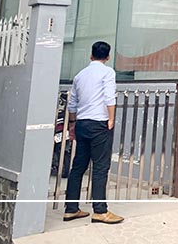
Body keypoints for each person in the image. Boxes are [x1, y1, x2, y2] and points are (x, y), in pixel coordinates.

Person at [63, 41, 124, 224]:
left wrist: (72, 124)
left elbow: (72, 102)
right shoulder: (108, 72)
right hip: (99, 124)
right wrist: (111, 119)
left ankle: (71, 209)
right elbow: (109, 96)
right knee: (100, 167)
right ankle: (100, 210)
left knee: (78, 167)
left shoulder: (79, 75)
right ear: (108, 56)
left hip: (81, 123)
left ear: (91, 55)